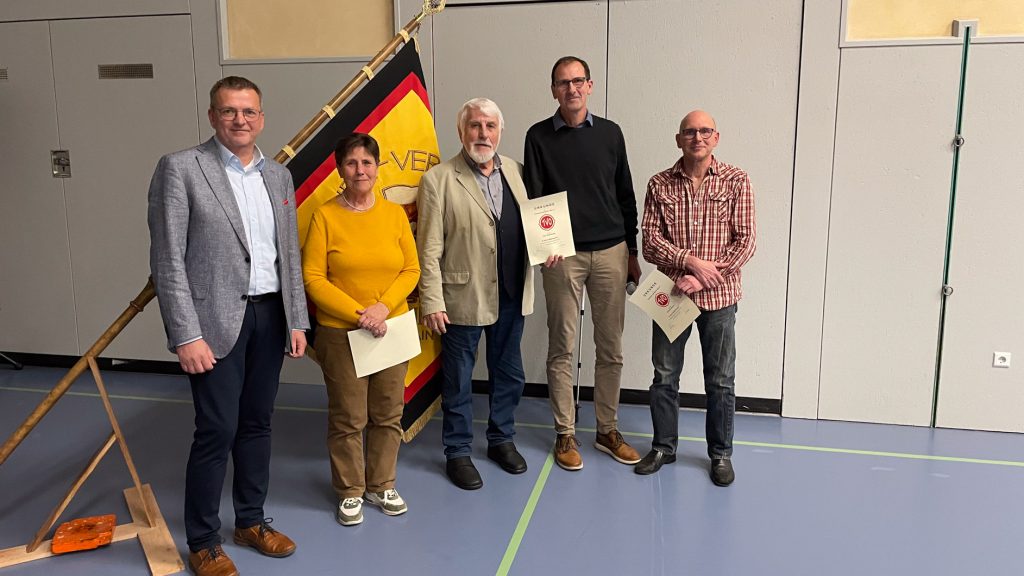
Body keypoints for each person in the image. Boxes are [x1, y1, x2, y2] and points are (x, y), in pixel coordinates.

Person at [148, 76, 308, 576]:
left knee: (258, 423)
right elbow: (168, 260)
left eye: (249, 111)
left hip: (269, 316)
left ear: (261, 117)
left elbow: (289, 255)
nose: (240, 119)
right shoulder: (181, 168)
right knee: (217, 429)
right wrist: (186, 334)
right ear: (213, 116)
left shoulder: (278, 175)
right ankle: (202, 541)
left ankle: (251, 521)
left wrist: (297, 319)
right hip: (212, 322)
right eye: (229, 111)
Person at [523, 56, 641, 471]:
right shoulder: (537, 136)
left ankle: (607, 430)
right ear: (553, 90)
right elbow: (535, 197)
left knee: (611, 348)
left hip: (612, 252)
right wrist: (544, 247)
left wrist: (632, 252)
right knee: (562, 347)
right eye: (562, 82)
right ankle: (565, 433)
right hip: (563, 256)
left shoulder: (611, 133)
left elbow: (625, 194)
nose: (571, 89)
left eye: (577, 81)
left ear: (589, 85)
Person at [301, 133, 420, 526]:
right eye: (351, 163)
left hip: (391, 329)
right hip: (341, 333)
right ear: (340, 169)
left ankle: (381, 484)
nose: (360, 170)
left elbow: (411, 269)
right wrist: (359, 315)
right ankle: (350, 490)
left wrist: (382, 309)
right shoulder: (325, 217)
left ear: (377, 167)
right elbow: (313, 278)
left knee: (388, 413)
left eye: (367, 162)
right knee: (348, 417)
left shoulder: (394, 215)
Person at [417, 98, 534, 490]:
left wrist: (547, 249)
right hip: (461, 298)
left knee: (509, 374)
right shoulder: (438, 180)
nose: (483, 134)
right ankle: (458, 451)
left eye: (490, 126)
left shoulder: (516, 171)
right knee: (459, 380)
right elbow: (428, 248)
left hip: (511, 293)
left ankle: (501, 439)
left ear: (500, 131)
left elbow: (532, 227)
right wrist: (432, 300)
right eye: (475, 125)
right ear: (461, 130)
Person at [636, 110, 756, 486]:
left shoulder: (737, 180)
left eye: (705, 131)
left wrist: (703, 278)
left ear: (716, 138)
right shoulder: (659, 184)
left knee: (720, 380)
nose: (697, 138)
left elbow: (746, 241)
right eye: (689, 132)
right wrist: (689, 262)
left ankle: (720, 454)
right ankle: (663, 447)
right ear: (678, 139)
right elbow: (650, 243)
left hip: (719, 297)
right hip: (670, 295)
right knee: (664, 375)